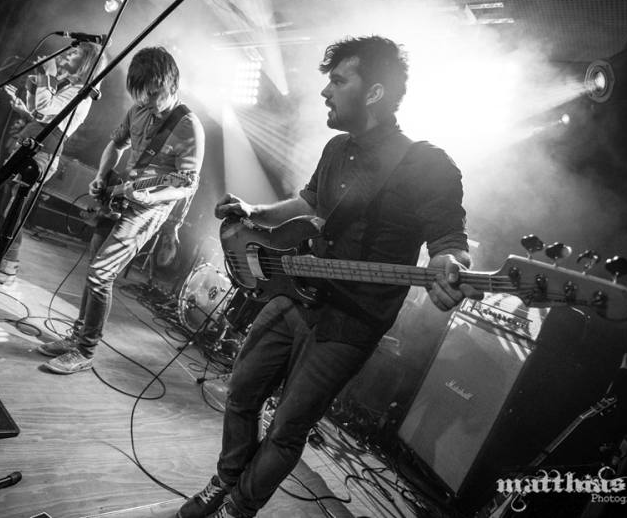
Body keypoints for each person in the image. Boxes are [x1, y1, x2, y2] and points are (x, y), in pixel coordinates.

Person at [177, 36, 484, 518]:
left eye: (338, 81)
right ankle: (225, 481)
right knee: (240, 392)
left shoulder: (428, 164)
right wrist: (255, 211)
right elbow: (310, 202)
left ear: (375, 92)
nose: (325, 91)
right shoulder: (338, 147)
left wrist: (449, 265)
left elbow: (450, 242)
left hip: (351, 322)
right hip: (297, 294)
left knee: (287, 427)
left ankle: (238, 508)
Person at [38, 46, 205, 374]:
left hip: (148, 211)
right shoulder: (138, 109)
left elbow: (186, 184)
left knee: (101, 273)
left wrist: (150, 199)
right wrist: (101, 176)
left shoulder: (188, 127)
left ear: (171, 84)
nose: (146, 102)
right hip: (120, 195)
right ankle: (76, 338)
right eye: (140, 96)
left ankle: (85, 351)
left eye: (153, 95)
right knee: (94, 268)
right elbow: (116, 144)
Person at [0, 42, 105, 285]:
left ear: (86, 63)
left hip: (42, 153)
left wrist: (48, 73)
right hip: (30, 145)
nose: (68, 54)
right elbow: (39, 112)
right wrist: (33, 87)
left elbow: (45, 107)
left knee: (13, 211)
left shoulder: (81, 93)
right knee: (3, 205)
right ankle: (1, 262)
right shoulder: (69, 87)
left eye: (75, 53)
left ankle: (7, 268)